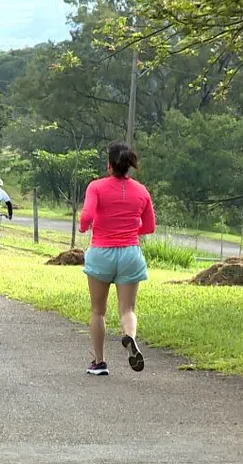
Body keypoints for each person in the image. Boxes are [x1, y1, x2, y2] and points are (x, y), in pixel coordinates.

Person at [78, 142, 156, 376]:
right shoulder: (142, 191)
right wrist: (129, 228)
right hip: (130, 253)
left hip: (102, 252)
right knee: (127, 309)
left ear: (109, 165)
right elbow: (149, 226)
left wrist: (84, 227)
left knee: (98, 311)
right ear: (129, 166)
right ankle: (130, 337)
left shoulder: (97, 187)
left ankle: (100, 362)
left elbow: (87, 215)